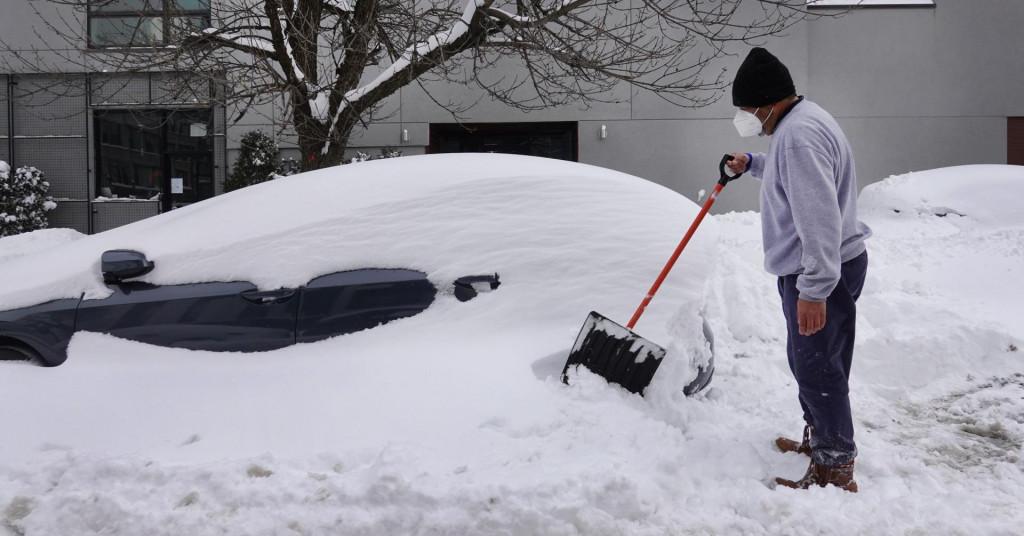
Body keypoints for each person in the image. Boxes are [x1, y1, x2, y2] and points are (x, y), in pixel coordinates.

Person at [725, 47, 872, 492]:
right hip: (826, 267)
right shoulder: (801, 122)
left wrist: (814, 289)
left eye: (747, 109)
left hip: (820, 271)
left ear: (768, 103)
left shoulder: (799, 136)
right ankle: (822, 438)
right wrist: (753, 164)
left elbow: (819, 218)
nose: (745, 117)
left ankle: (834, 466)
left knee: (817, 368)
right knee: (815, 362)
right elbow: (797, 177)